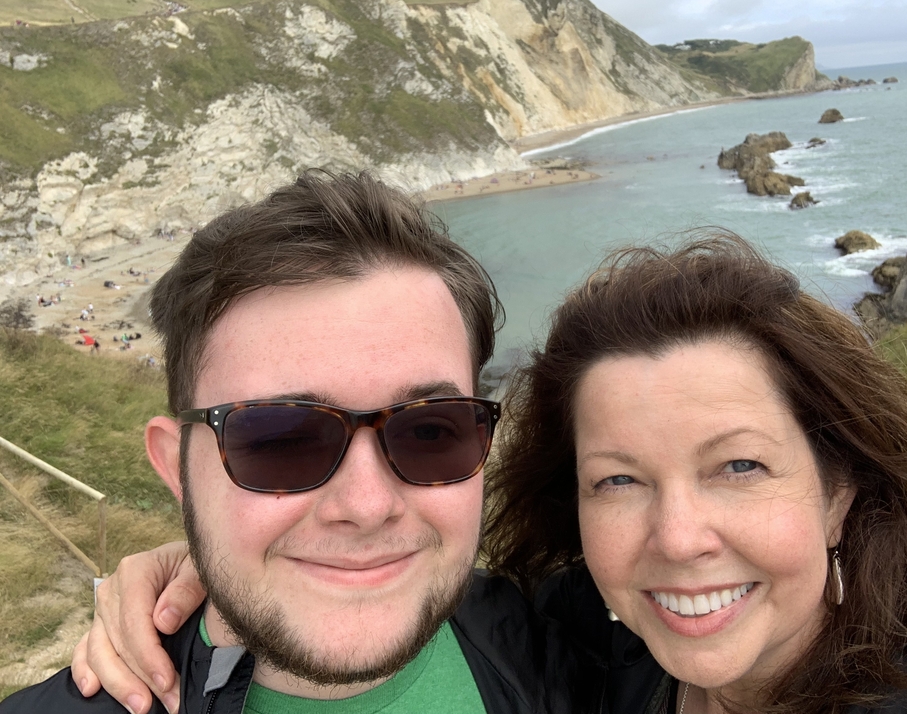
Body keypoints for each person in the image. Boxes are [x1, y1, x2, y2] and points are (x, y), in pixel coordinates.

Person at [72, 235, 907, 714]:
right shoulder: (583, 642)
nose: (680, 537)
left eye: (740, 465)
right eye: (276, 440)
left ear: (840, 491)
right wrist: (214, 556)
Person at [0, 170, 590, 714]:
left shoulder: (576, 653)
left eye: (430, 430)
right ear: (177, 466)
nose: (366, 506)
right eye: (281, 439)